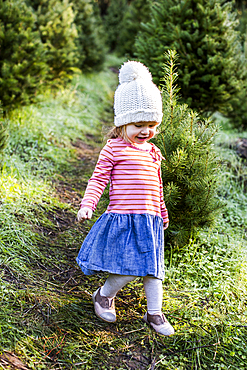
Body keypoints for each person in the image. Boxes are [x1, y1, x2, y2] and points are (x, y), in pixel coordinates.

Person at [76, 61, 174, 336]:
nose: (146, 131)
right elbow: (98, 180)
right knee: (131, 268)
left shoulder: (152, 152)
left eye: (152, 125)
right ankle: (104, 295)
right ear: (122, 123)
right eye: (139, 124)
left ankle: (154, 313)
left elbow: (157, 186)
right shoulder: (113, 149)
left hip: (150, 219)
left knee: (154, 270)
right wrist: (87, 204)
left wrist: (162, 213)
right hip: (124, 217)